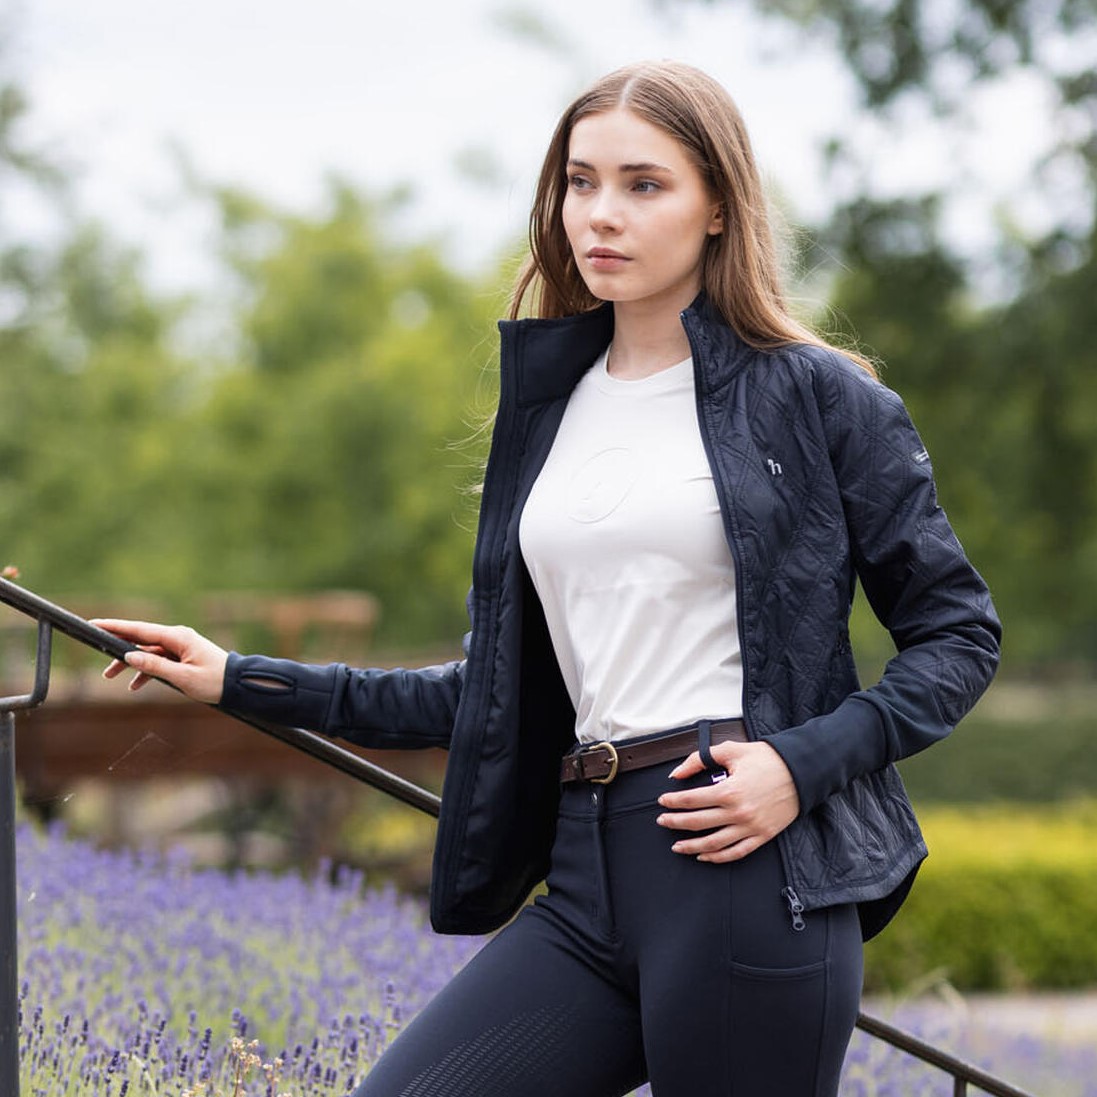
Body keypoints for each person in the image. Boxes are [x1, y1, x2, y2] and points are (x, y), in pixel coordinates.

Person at [96, 60, 1000, 1097]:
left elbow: (958, 636)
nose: (598, 214)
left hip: (741, 864)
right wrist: (242, 678)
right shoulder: (554, 407)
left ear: (717, 206)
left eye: (643, 184)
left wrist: (797, 765)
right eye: (579, 182)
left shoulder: (818, 397)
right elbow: (497, 690)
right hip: (584, 876)